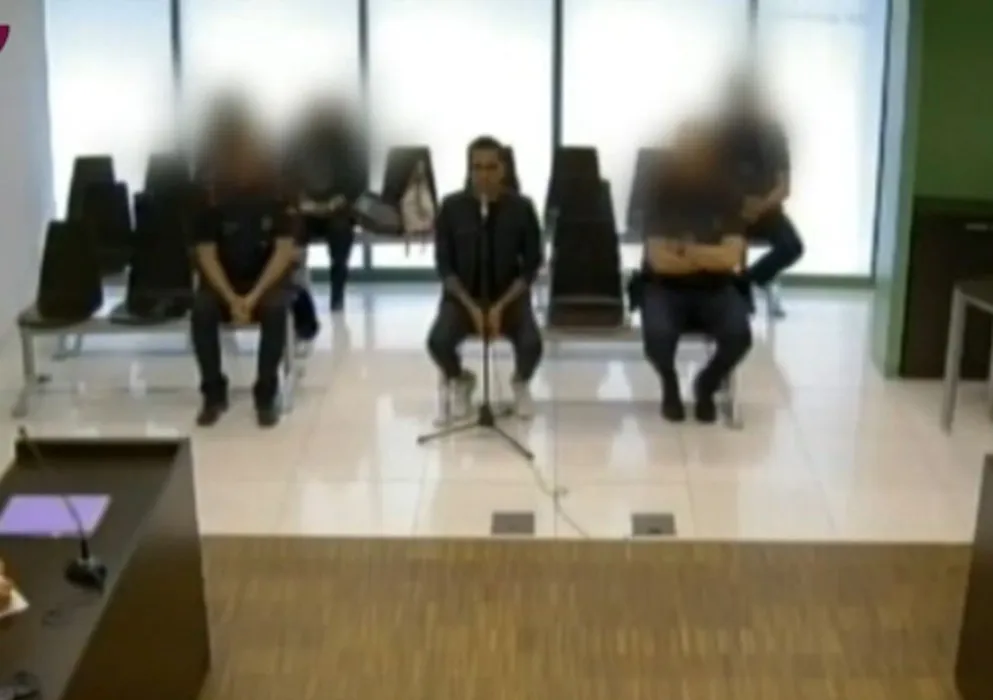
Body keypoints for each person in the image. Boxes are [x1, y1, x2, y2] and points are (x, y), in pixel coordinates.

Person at [190, 115, 298, 428]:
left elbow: (283, 251)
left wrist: (252, 297)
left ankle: (265, 394)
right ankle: (213, 393)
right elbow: (206, 254)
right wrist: (232, 298)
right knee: (202, 310)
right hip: (223, 281)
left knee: (276, 309)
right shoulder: (210, 197)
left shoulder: (278, 194)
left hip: (266, 280)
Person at [641, 121, 753, 424]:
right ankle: (670, 385)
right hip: (665, 287)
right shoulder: (660, 195)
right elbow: (659, 260)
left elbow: (731, 258)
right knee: (657, 336)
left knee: (739, 336)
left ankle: (707, 385)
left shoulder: (728, 196)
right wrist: (708, 255)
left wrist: (684, 251)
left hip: (716, 288)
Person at [426, 136, 544, 418]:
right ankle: (460, 379)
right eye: (477, 167)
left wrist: (499, 307)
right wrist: (473, 309)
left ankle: (520, 383)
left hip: (509, 298)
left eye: (491, 167)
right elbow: (444, 266)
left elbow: (531, 265)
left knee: (532, 344)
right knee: (438, 341)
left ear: (503, 169)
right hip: (463, 299)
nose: (484, 175)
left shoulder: (522, 208)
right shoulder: (451, 207)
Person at [717, 72, 802, 316]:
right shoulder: (723, 135)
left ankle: (744, 281)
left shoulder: (773, 134)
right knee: (722, 239)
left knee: (792, 247)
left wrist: (760, 207)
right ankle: (733, 290)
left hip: (767, 211)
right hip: (731, 210)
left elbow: (784, 188)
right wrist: (739, 205)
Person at [285, 100, 368, 312]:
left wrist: (339, 201)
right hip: (305, 210)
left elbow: (359, 181)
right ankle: (298, 293)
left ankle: (337, 296)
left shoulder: (347, 145)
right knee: (293, 230)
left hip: (336, 209)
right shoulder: (294, 145)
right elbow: (285, 178)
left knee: (341, 231)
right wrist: (301, 202)